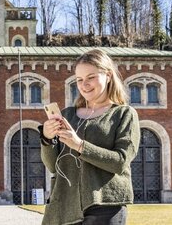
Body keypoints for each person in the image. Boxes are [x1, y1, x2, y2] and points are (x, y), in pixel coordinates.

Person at [39, 49, 140, 225]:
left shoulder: (124, 114)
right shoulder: (67, 115)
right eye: (79, 80)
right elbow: (53, 166)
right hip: (65, 206)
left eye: (91, 77)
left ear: (108, 75)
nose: (84, 84)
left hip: (105, 205)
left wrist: (79, 145)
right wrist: (47, 139)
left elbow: (120, 161)